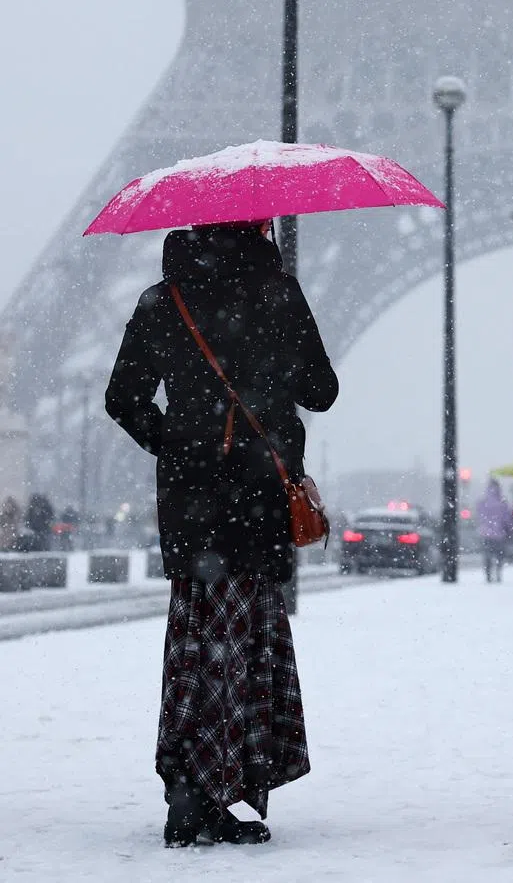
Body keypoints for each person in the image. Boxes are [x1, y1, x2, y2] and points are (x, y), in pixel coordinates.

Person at [105, 221, 338, 848]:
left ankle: (189, 790)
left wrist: (179, 447)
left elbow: (122, 398)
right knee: (241, 647)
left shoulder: (164, 298)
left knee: (193, 644)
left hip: (190, 507)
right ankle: (221, 782)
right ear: (255, 227)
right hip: (255, 500)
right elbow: (324, 391)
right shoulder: (276, 292)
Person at [477, 477, 512, 583]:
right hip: (499, 534)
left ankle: (488, 574)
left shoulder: (482, 502)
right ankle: (498, 573)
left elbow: (479, 516)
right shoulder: (502, 503)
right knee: (499, 555)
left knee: (487, 555)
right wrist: (509, 528)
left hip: (486, 533)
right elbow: (507, 519)